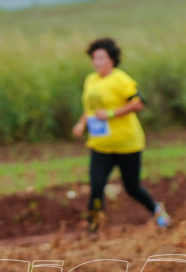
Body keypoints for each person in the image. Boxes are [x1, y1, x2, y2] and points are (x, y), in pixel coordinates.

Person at [71, 37, 170, 233]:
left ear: (112, 60)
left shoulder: (120, 79)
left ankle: (156, 210)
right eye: (94, 58)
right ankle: (94, 225)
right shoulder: (90, 80)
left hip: (127, 143)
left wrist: (110, 114)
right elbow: (91, 109)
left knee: (132, 187)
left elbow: (138, 104)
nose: (97, 62)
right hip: (101, 144)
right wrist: (81, 123)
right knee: (96, 184)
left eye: (101, 58)